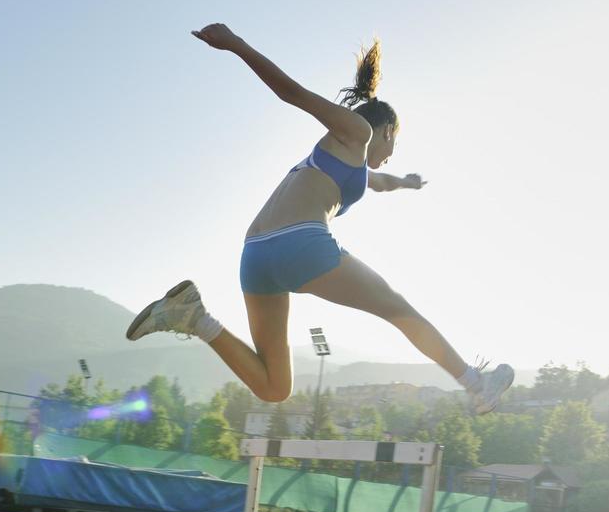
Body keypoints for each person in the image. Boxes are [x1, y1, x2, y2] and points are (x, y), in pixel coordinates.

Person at [126, 23, 514, 415]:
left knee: (274, 387)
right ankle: (476, 385)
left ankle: (194, 317)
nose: (392, 151)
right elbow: (293, 94)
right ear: (386, 130)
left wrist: (408, 183)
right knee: (400, 309)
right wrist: (236, 45)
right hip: (301, 244)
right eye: (395, 141)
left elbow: (380, 182)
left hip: (255, 257)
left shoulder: (343, 162)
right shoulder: (356, 131)